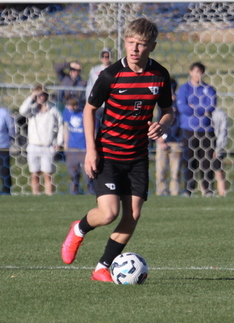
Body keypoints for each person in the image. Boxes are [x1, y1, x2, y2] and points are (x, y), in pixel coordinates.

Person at [60, 17, 174, 282]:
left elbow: (168, 111)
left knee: (132, 216)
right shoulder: (110, 75)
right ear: (125, 42)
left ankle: (102, 267)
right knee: (109, 213)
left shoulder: (159, 75)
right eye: (130, 43)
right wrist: (91, 150)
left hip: (137, 157)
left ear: (152, 47)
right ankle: (78, 229)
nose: (134, 49)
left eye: (141, 44)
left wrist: (161, 124)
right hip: (109, 154)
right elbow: (89, 110)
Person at [176, 62, 217, 196]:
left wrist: (194, 107)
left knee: (206, 161)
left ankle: (208, 189)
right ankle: (188, 189)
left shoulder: (209, 89)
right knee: (188, 160)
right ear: (190, 72)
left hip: (206, 130)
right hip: (188, 130)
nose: (198, 74)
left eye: (200, 72)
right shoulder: (183, 89)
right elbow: (183, 108)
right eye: (196, 71)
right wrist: (201, 109)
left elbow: (211, 106)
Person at [20, 89, 62, 195]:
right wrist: (31, 96)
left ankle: (49, 196)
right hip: (33, 145)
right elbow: (22, 111)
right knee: (34, 173)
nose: (40, 98)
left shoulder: (53, 110)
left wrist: (59, 142)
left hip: (47, 146)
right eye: (38, 96)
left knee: (47, 174)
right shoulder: (32, 110)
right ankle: (36, 196)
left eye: (42, 95)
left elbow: (61, 125)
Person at [62, 96, 93, 195]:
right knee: (73, 172)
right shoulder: (66, 112)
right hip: (72, 148)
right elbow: (66, 128)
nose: (68, 107)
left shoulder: (85, 114)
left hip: (84, 147)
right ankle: (74, 191)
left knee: (87, 173)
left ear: (76, 106)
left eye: (70, 106)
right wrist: (66, 145)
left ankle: (90, 191)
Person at [155, 96, 182, 196]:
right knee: (160, 170)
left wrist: (164, 136)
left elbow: (177, 124)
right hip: (160, 142)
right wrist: (159, 138)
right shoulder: (160, 105)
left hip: (175, 141)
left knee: (175, 171)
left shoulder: (178, 105)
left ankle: (175, 193)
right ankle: (161, 192)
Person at [210, 106, 229, 197]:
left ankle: (222, 194)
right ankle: (206, 193)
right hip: (202, 145)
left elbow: (224, 131)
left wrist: (218, 148)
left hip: (217, 146)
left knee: (218, 171)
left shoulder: (220, 114)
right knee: (204, 172)